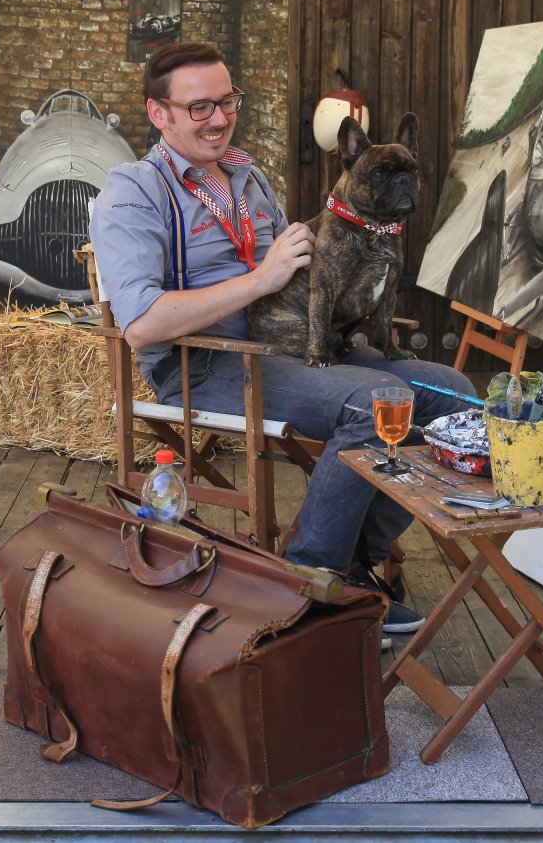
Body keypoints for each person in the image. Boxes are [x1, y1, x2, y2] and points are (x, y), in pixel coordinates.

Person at [89, 42, 479, 636]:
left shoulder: (248, 178)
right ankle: (310, 579)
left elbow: (304, 273)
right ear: (158, 113)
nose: (218, 118)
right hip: (207, 364)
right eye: (198, 107)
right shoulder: (133, 191)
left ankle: (355, 559)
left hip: (296, 345)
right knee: (374, 403)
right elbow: (141, 324)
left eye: (227, 101)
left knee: (453, 394)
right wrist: (261, 279)